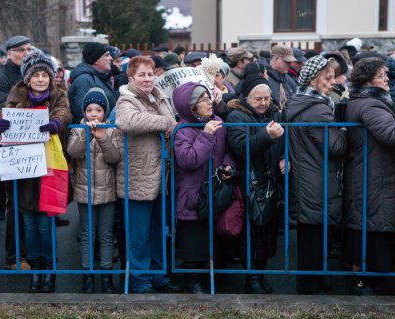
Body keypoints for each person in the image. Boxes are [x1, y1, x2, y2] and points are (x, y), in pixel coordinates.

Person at [0, 48, 72, 293]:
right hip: (24, 171)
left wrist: (55, 123)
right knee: (29, 226)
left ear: (51, 77)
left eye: (45, 74)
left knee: (45, 225)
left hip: (49, 168)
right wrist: (1, 121)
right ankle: (36, 272)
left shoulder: (59, 95)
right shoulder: (16, 94)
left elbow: (64, 112)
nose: (41, 79)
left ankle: (49, 270)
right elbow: (5, 112)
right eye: (36, 74)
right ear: (27, 78)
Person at [115, 56, 179, 293]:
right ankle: (141, 280)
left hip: (161, 177)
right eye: (142, 75)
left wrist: (167, 122)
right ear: (131, 78)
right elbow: (128, 121)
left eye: (151, 74)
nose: (147, 78)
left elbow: (173, 123)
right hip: (137, 177)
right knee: (138, 235)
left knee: (157, 231)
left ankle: (158, 275)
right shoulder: (126, 100)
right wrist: (163, 122)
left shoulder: (160, 97)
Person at [283, 55, 347, 294]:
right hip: (318, 177)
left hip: (306, 175)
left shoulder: (298, 101)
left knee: (309, 232)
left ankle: (309, 282)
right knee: (316, 234)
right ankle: (311, 285)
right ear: (313, 79)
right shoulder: (318, 110)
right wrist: (343, 130)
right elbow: (335, 147)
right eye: (328, 78)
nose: (334, 83)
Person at [225, 75, 285, 294]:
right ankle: (252, 277)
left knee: (269, 233)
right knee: (252, 234)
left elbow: (287, 141)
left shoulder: (276, 113)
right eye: (258, 99)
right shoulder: (236, 116)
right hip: (248, 184)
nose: (263, 103)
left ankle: (259, 273)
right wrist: (267, 136)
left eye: (267, 98)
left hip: (271, 182)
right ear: (246, 98)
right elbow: (242, 147)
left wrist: (285, 155)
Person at [172, 82, 234, 294]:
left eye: (208, 98)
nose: (209, 103)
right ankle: (192, 281)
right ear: (190, 107)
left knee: (210, 237)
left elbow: (226, 150)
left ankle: (208, 278)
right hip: (191, 194)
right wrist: (206, 135)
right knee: (192, 240)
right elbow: (189, 160)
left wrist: (228, 165)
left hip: (213, 191)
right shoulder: (182, 129)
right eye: (202, 100)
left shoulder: (217, 122)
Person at [343, 57, 395, 295]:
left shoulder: (362, 99)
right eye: (381, 75)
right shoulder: (371, 104)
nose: (386, 79)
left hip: (371, 169)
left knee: (366, 222)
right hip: (375, 172)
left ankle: (362, 279)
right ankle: (376, 281)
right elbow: (390, 134)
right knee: (376, 224)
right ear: (368, 79)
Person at [67, 88, 119, 293]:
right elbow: (74, 152)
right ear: (84, 112)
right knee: (87, 234)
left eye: (98, 110)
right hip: (84, 191)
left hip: (107, 191)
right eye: (90, 110)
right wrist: (87, 135)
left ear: (105, 112)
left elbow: (114, 157)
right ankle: (87, 275)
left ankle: (106, 275)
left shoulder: (112, 129)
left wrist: (103, 137)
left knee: (106, 235)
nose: (94, 114)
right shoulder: (78, 129)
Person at [0, 35, 32, 271]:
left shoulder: (32, 73)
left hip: (35, 144)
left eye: (28, 49)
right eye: (21, 50)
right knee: (16, 203)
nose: (26, 53)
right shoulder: (1, 77)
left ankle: (35, 252)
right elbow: (1, 108)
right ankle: (14, 256)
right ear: (9, 53)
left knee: (35, 201)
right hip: (13, 147)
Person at [68, 42, 119, 124]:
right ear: (96, 60)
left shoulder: (101, 77)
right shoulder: (84, 80)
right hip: (91, 133)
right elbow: (82, 113)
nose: (111, 58)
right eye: (106, 55)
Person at [267, 45, 298, 109]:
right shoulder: (264, 79)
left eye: (290, 62)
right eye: (287, 61)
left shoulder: (289, 80)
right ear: (276, 59)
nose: (290, 64)